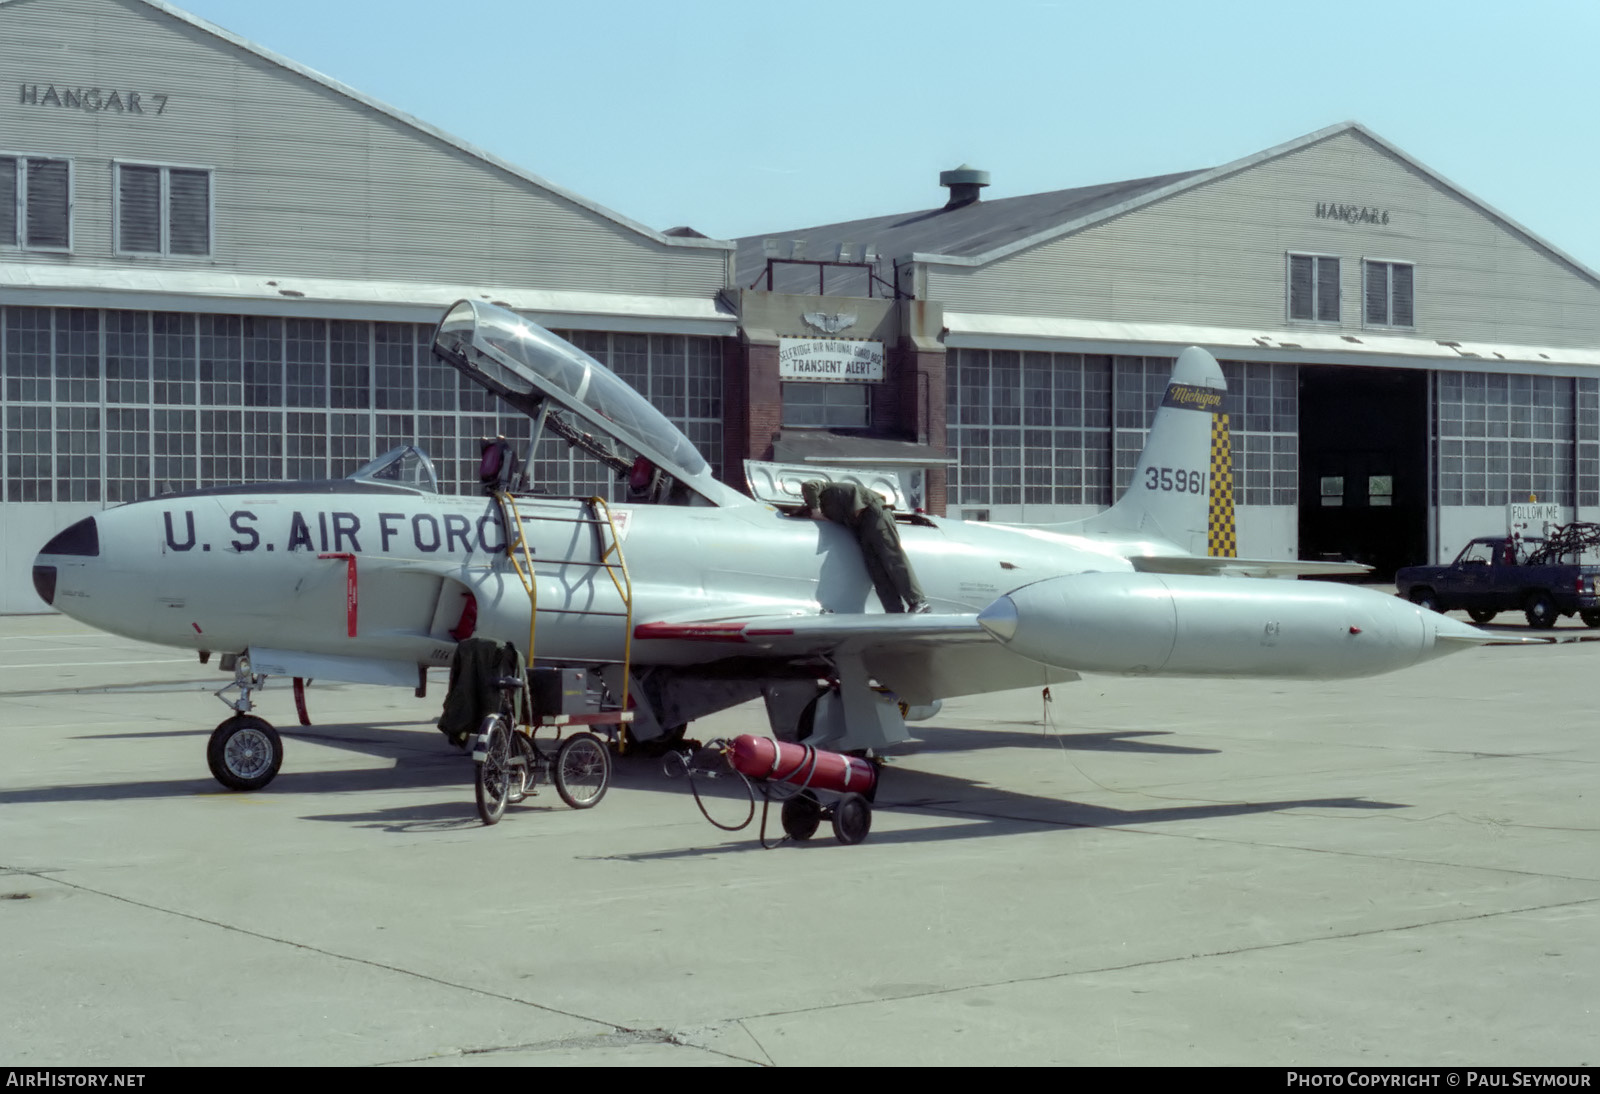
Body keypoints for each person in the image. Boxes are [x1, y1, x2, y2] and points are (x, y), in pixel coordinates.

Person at [801, 480, 928, 613]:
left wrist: (815, 511)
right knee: (876, 570)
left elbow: (810, 485)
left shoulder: (822, 491)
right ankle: (894, 610)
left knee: (892, 557)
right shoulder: (826, 507)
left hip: (873, 513)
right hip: (861, 526)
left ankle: (919, 601)